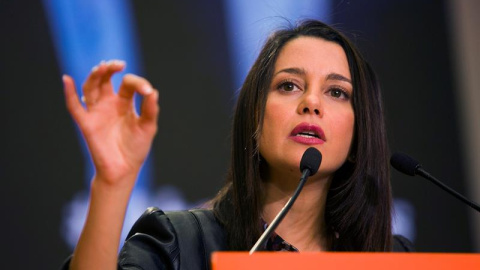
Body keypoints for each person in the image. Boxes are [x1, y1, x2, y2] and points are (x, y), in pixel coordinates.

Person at [62, 20, 413, 270]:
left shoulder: (392, 260)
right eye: (289, 85)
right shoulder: (182, 244)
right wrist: (111, 182)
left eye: (336, 92)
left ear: (358, 136)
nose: (311, 102)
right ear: (255, 117)